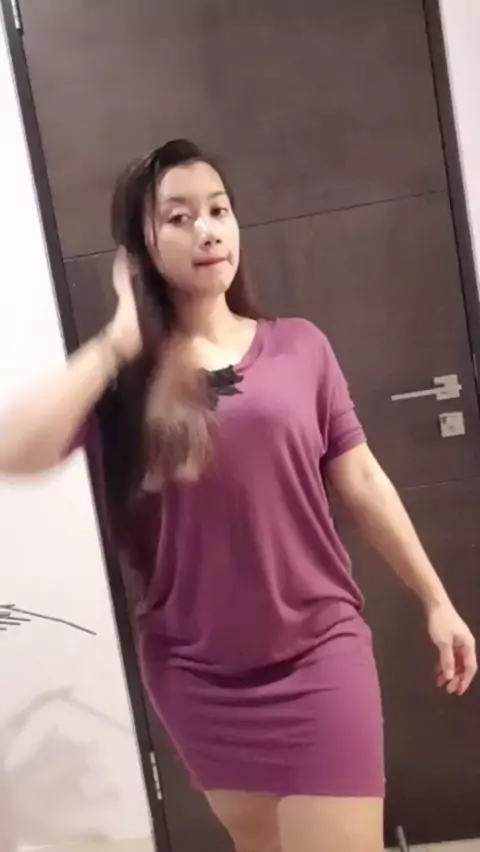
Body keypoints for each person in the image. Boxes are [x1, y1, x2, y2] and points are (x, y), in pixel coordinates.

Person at [0, 138, 476, 852]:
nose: (208, 230)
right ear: (140, 248)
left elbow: (362, 479)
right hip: (198, 675)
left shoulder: (300, 347)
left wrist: (436, 600)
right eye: (179, 217)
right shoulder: (123, 383)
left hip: (318, 653)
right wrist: (119, 341)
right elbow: (14, 451)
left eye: (219, 210)